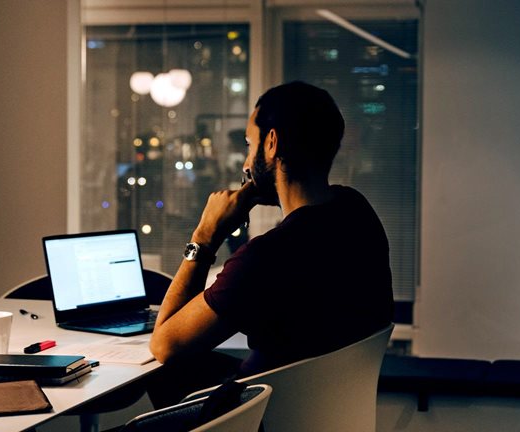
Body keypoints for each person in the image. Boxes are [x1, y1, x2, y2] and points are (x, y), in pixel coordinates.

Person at [147, 80, 394, 407]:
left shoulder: (268, 256)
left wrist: (205, 238)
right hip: (312, 409)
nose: (246, 164)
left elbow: (164, 345)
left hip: (256, 418)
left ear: (272, 142)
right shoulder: (356, 212)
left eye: (250, 145)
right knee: (177, 374)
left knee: (164, 369)